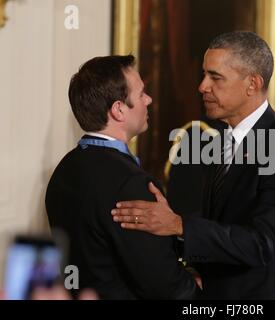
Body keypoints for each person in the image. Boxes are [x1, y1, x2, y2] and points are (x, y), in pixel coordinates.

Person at [111, 31, 275, 299]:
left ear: (252, 84)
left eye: (215, 77)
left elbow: (260, 244)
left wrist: (179, 225)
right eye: (204, 75)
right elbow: (220, 225)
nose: (202, 86)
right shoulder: (221, 139)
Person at [45, 55, 197, 299]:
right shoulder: (132, 185)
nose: (149, 99)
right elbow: (163, 283)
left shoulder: (63, 170)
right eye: (141, 94)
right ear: (118, 110)